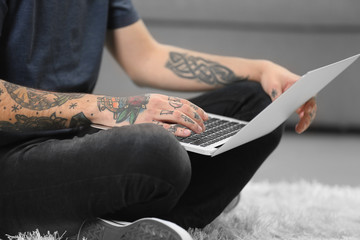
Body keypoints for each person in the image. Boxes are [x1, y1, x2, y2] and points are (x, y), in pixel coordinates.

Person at [0, 1, 317, 240]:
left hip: (74, 140)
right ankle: (179, 200)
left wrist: (260, 70)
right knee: (155, 150)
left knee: (261, 105)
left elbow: (145, 57)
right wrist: (116, 108)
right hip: (11, 159)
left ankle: (123, 220)